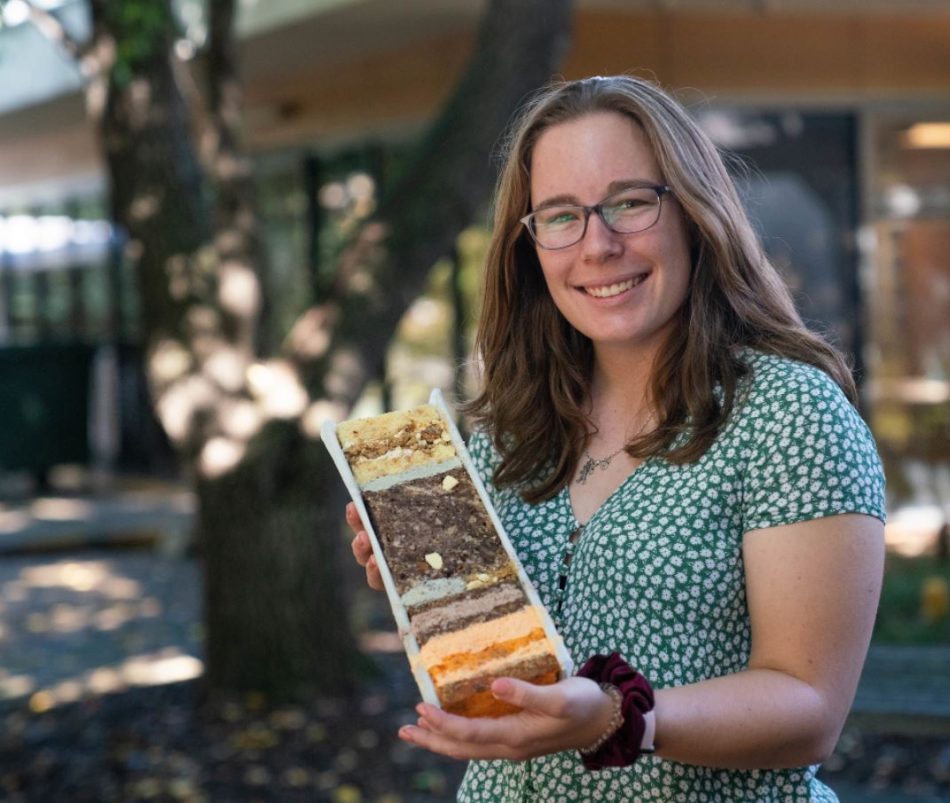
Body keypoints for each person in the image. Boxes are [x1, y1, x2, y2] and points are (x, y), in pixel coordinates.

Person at [346, 74, 886, 802]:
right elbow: (501, 663)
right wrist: (421, 587)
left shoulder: (789, 414)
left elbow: (809, 707)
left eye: (630, 203)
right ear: (529, 243)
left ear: (693, 212)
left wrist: (613, 716)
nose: (597, 245)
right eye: (561, 216)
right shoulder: (513, 424)